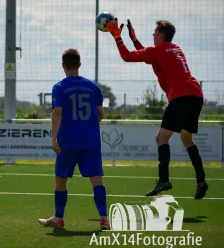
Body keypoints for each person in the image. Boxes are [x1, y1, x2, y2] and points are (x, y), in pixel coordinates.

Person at [107, 19, 208, 199]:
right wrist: (135, 40)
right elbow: (152, 59)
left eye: (154, 33)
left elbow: (128, 57)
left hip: (181, 97)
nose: (153, 36)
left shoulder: (158, 51)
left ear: (161, 34)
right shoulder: (175, 49)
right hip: (196, 95)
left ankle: (164, 180)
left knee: (161, 138)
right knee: (186, 137)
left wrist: (117, 37)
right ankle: (201, 180)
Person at [39, 49, 110, 230]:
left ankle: (59, 217)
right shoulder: (94, 87)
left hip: (68, 141)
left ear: (63, 66)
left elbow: (57, 112)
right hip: (91, 141)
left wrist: (54, 138)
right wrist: (88, 126)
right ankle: (104, 218)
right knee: (96, 179)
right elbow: (100, 113)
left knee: (61, 178)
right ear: (79, 65)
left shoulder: (59, 87)